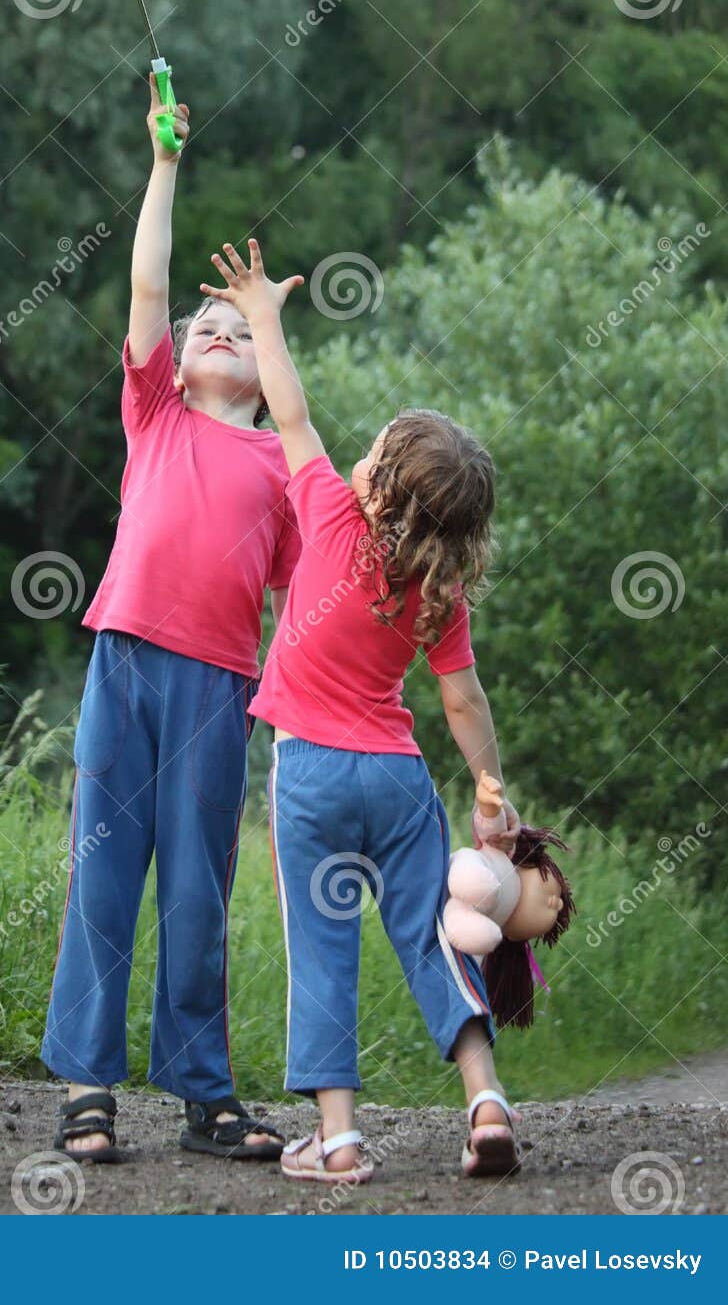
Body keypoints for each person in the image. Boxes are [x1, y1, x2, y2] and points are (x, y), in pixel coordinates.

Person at [198, 238, 522, 1184]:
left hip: (310, 775)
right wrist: (491, 794)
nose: (361, 451)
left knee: (322, 945)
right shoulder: (437, 592)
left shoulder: (333, 513)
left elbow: (287, 408)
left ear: (377, 482)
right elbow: (461, 698)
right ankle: (486, 1098)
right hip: (396, 776)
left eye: (375, 447)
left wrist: (262, 314)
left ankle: (337, 1140)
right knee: (431, 933)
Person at [41, 85, 300, 1164]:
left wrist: (291, 710)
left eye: (243, 333)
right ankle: (88, 1090)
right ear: (180, 360)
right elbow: (149, 280)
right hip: (124, 664)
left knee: (198, 889)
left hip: (214, 691)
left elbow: (299, 600)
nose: (220, 334)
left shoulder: (283, 461)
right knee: (104, 874)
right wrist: (162, 165)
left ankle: (204, 1094)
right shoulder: (153, 412)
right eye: (210, 326)